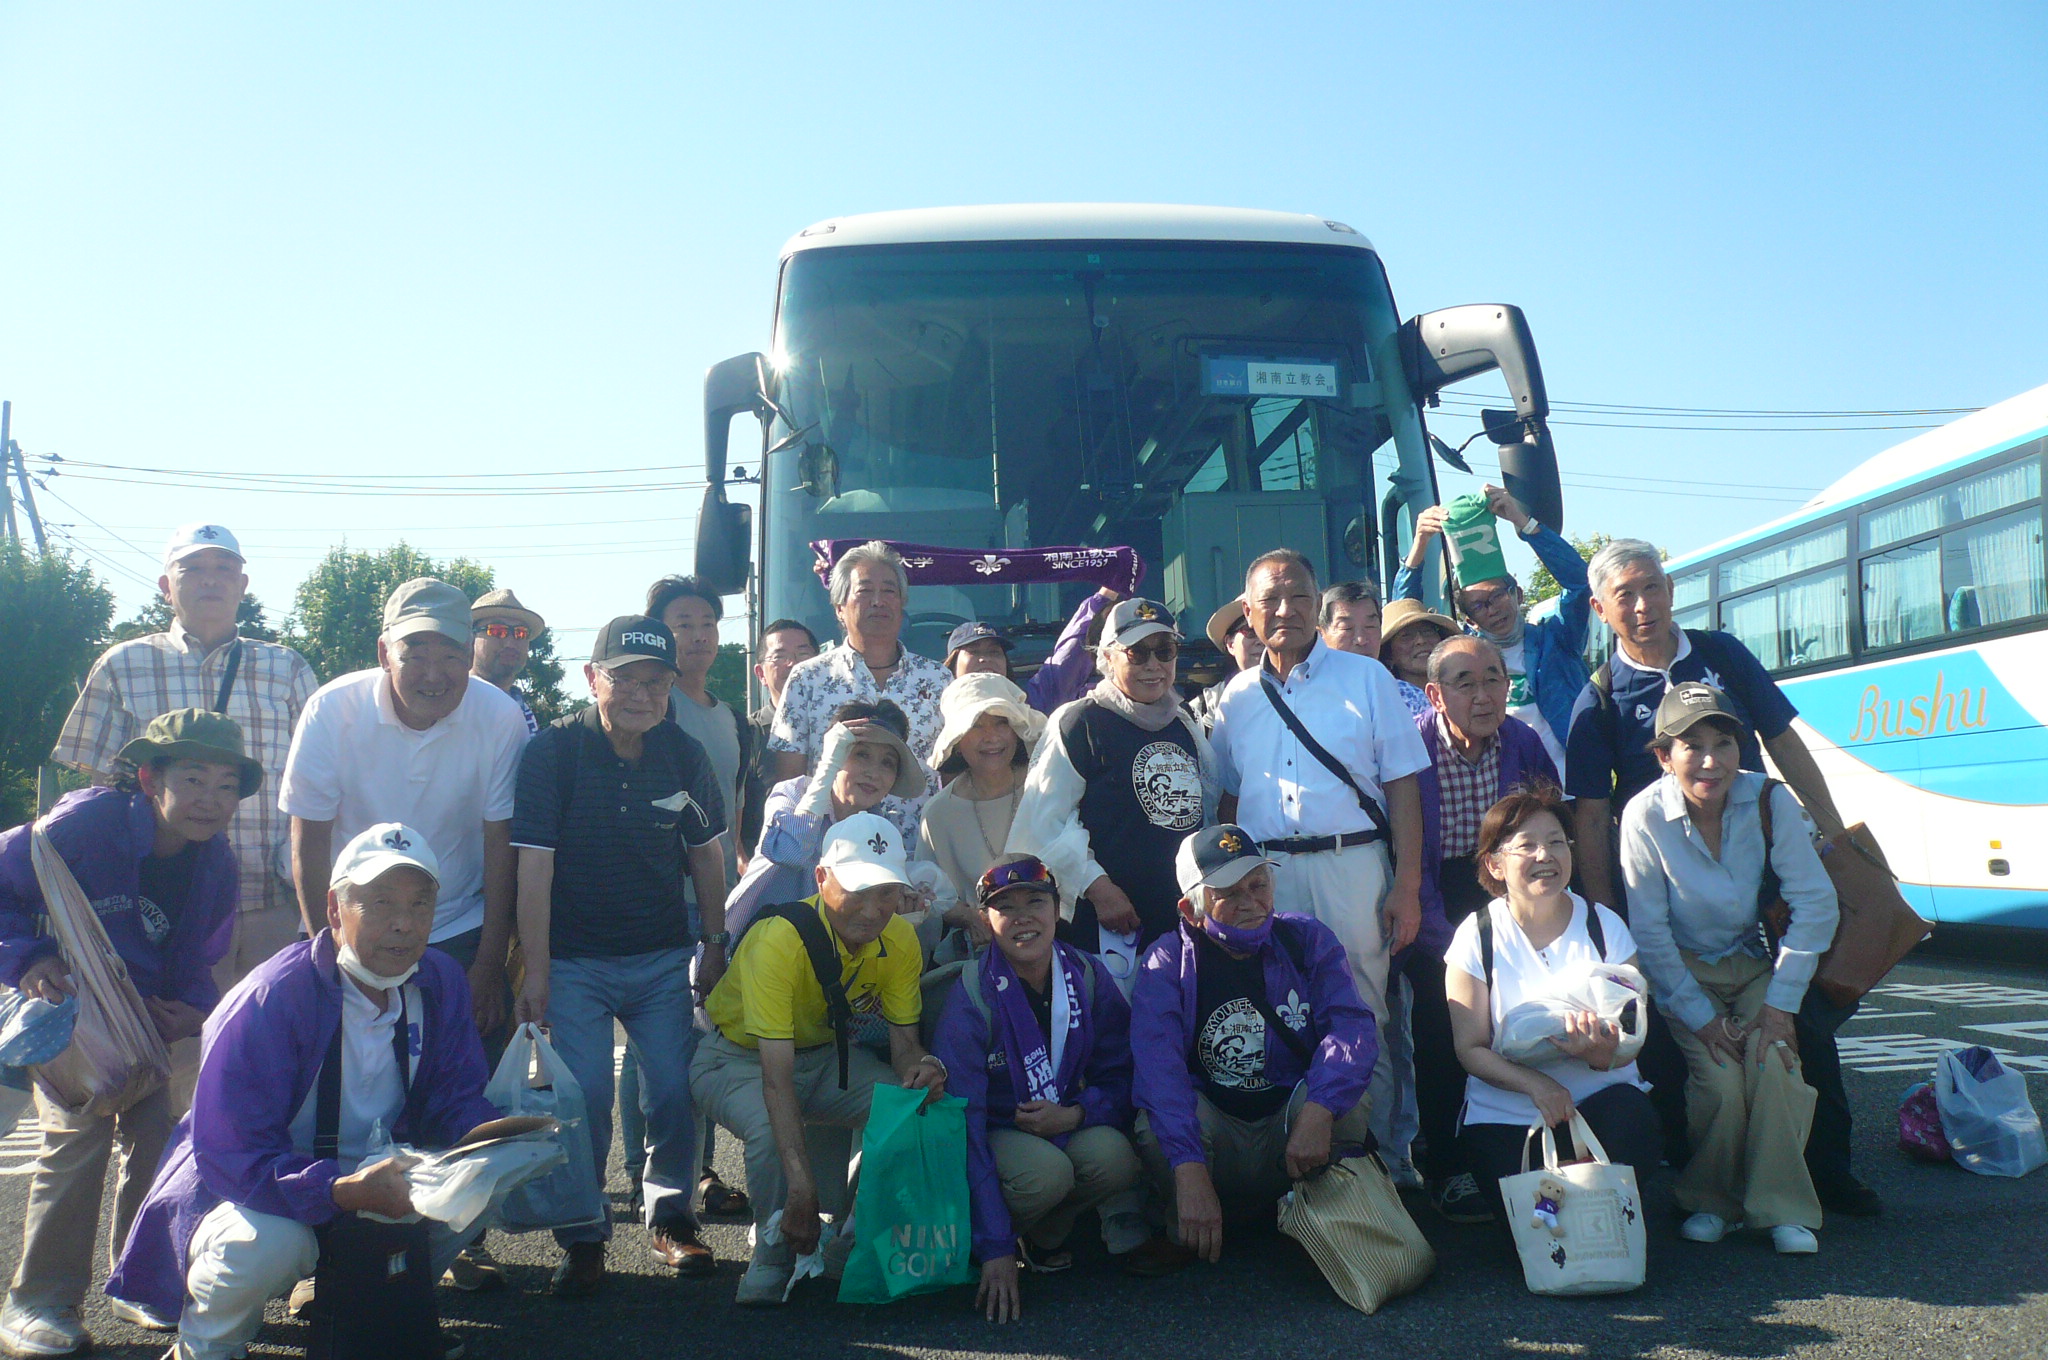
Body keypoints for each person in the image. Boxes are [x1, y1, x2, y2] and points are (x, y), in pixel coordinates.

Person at [106, 824, 502, 1360]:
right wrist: (338, 1190)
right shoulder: (270, 998)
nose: (404, 924)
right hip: (255, 1188)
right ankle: (206, 1345)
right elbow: (232, 1156)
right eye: (381, 903)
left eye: (420, 904)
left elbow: (455, 1096)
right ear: (335, 911)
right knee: (268, 1243)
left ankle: (378, 1316)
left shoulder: (439, 979)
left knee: (479, 1178)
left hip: (374, 1170)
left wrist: (493, 1141)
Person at [1565, 538, 1877, 1216]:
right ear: (1599, 608)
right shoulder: (1601, 698)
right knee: (1683, 1049)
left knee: (1803, 1029)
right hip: (1664, 885)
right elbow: (1591, 817)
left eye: (1653, 586)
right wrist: (1600, 914)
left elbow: (1785, 741)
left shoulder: (1723, 654)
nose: (1644, 605)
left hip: (1758, 866)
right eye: (1626, 595)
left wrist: (1833, 835)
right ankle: (1704, 1183)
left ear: (1671, 586)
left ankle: (1827, 1171)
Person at [0, 711, 259, 1356]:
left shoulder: (216, 861)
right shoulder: (83, 823)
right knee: (78, 1139)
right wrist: (29, 957)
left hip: (143, 1027)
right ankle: (37, 1304)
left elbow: (199, 956)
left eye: (227, 785)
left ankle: (138, 1281)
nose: (210, 799)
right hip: (70, 1017)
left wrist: (194, 1011)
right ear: (149, 778)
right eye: (193, 777)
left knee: (158, 1141)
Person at [510, 616, 731, 1295]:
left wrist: (716, 943)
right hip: (574, 961)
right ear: (592, 678)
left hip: (662, 956)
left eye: (656, 682)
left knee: (670, 1088)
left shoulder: (682, 752)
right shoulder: (554, 752)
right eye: (625, 678)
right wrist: (537, 969)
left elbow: (706, 853)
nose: (641, 693)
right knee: (587, 1100)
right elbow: (534, 867)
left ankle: (670, 1216)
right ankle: (583, 1236)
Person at [1207, 551, 1427, 1161]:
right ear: (1247, 615)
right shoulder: (1237, 697)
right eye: (1269, 600)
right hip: (1264, 880)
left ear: (1317, 605)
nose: (1285, 610)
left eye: (1298, 596)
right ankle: (1297, 1162)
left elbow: (1405, 788)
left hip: (1351, 868)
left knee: (1363, 1011)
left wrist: (1405, 886)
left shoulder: (1366, 679)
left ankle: (1382, 1157)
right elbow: (1227, 797)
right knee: (1278, 1010)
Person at [691, 816, 949, 1305]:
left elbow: (904, 1048)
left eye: (886, 892)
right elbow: (776, 1080)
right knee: (771, 1131)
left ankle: (847, 1240)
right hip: (734, 1060)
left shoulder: (901, 941)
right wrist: (802, 1189)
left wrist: (926, 1067)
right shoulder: (779, 940)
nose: (873, 910)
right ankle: (771, 1256)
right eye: (857, 890)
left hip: (828, 1058)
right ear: (821, 878)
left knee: (912, 1108)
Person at [1619, 684, 1837, 1254]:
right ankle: (1711, 1199)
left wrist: (1780, 1004)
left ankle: (1781, 1208)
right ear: (1664, 756)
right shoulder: (1642, 815)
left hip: (1754, 959)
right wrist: (1699, 1016)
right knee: (1717, 1078)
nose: (1710, 760)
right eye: (1692, 746)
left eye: (1724, 743)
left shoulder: (1770, 800)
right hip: (1684, 970)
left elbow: (1816, 901)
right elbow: (1649, 931)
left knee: (1776, 1064)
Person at [53, 523, 317, 990]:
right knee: (174, 1050)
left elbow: (317, 781)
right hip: (162, 905)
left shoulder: (288, 667)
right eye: (192, 568)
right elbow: (95, 789)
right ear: (165, 586)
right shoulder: (122, 664)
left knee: (271, 1048)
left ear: (243, 585)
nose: (210, 580)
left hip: (274, 900)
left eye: (224, 569)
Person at [279, 578, 527, 1040]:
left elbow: (501, 846)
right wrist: (328, 955)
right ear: (383, 653)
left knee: (467, 1088)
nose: (434, 675)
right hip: (349, 925)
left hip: (457, 925)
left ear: (470, 657)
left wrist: (489, 965)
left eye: (451, 656)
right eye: (415, 655)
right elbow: (308, 844)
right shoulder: (331, 710)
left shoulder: (500, 718)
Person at [1129, 825, 1377, 1274]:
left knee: (1350, 1102)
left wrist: (1319, 1110)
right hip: (1219, 1131)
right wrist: (1187, 1166)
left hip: (1290, 1122)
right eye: (1229, 893)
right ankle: (1186, 1226)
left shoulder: (1306, 938)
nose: (1250, 902)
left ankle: (1327, 1221)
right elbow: (1158, 1072)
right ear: (1191, 909)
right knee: (1153, 1126)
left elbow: (1352, 1030)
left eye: (1258, 885)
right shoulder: (1165, 963)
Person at [931, 855, 1141, 1321]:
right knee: (1045, 1174)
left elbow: (1124, 1074)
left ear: (1058, 909)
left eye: (1036, 902)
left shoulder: (1086, 974)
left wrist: (1078, 1114)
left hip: (1060, 1118)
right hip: (996, 1133)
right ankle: (984, 1239)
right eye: (1006, 907)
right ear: (987, 921)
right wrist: (994, 1248)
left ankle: (1044, 1233)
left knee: (1115, 1157)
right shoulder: (971, 994)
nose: (1024, 917)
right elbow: (963, 1123)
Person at [1443, 786, 1661, 1224]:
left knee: (1629, 1121)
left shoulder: (1604, 926)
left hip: (1601, 1103)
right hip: (1510, 1114)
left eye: (1557, 841)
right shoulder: (1477, 934)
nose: (1546, 854)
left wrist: (1599, 1054)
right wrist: (1538, 1086)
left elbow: (1634, 1036)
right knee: (1537, 1231)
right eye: (1527, 845)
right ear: (1495, 864)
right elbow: (1470, 1048)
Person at [1405, 635, 1559, 1223]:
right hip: (1433, 899)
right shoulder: (1412, 745)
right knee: (1443, 1035)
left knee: (1520, 1023)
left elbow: (1546, 829)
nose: (1483, 693)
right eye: (1464, 681)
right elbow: (1406, 852)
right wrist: (1448, 945)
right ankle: (1447, 1165)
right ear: (1435, 694)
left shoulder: (1522, 742)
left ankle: (1523, 1152)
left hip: (1504, 892)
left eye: (1493, 677)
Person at [1008, 598, 1218, 952]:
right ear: (1106, 659)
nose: (1153, 665)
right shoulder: (1080, 722)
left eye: (1164, 650)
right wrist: (1099, 888)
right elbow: (1043, 822)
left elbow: (1207, 813)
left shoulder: (1186, 724)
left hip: (1183, 923)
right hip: (1109, 930)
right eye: (1136, 653)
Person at [1394, 483, 1591, 778]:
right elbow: (1401, 616)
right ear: (1469, 620)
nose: (1493, 609)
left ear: (1518, 594)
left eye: (1498, 595)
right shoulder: (1460, 655)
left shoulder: (1558, 638)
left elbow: (1580, 583)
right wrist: (1419, 545)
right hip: (1497, 790)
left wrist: (1523, 521)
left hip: (1571, 785)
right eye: (1478, 605)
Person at [726, 701, 930, 942]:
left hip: (824, 960)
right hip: (752, 945)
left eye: (887, 763)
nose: (873, 772)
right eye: (861, 754)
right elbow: (791, 853)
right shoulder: (793, 794)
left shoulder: (879, 827)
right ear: (836, 753)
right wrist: (828, 766)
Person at [770, 541, 950, 785]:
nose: (878, 601)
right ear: (839, 608)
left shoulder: (938, 679)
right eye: (864, 591)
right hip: (831, 823)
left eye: (889, 591)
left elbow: (954, 774)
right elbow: (788, 782)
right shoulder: (807, 679)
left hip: (921, 824)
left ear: (901, 604)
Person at [919, 674, 1046, 947]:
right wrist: (967, 917)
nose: (991, 737)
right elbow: (927, 896)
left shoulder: (1048, 786)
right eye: (976, 725)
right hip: (982, 954)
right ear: (957, 739)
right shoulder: (938, 813)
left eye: (1001, 722)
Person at [942, 586, 1118, 715]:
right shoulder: (930, 711)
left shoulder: (1031, 705)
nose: (985, 659)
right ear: (952, 664)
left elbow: (1070, 654)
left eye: (994, 652)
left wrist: (1106, 596)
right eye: (974, 651)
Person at [741, 620, 821, 867]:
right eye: (780, 656)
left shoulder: (838, 726)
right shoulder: (746, 733)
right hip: (768, 865)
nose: (793, 664)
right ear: (760, 674)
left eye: (803, 654)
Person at [469, 587, 546, 736]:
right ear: (472, 638)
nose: (510, 643)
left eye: (520, 633)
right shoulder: (455, 700)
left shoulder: (522, 710)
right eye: (497, 631)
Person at [1189, 596, 1263, 731]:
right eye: (1250, 632)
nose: (1261, 641)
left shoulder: (1307, 697)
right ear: (1230, 644)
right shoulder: (1199, 711)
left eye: (1266, 631)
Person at [1377, 598, 1459, 719]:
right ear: (1388, 655)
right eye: (1406, 636)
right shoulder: (1386, 703)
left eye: (1427, 632)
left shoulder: (1463, 690)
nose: (1421, 641)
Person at [1319, 581, 1383, 658]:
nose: (1361, 640)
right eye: (1347, 628)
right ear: (1321, 634)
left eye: (1370, 626)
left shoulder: (1384, 670)